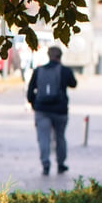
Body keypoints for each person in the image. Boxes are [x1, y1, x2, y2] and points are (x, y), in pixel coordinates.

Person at [26, 46, 78, 176]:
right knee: (60, 137)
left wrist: (34, 104)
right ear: (60, 56)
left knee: (43, 138)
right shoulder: (64, 71)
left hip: (42, 109)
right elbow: (73, 84)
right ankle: (61, 164)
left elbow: (30, 90)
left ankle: (45, 164)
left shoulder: (39, 71)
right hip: (60, 111)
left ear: (48, 56)